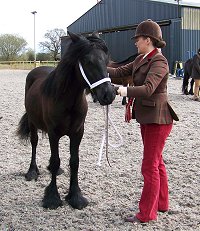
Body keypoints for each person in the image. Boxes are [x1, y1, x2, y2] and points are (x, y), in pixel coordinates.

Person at [107, 19, 179, 223]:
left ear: (148, 40)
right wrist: (98, 66)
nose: (135, 43)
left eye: (137, 39)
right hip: (147, 117)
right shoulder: (141, 58)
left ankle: (146, 214)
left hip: (159, 119)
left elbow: (148, 88)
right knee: (157, 163)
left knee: (149, 166)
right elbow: (120, 71)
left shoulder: (159, 61)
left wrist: (123, 91)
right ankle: (162, 204)